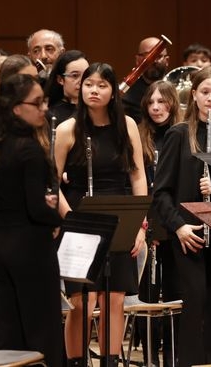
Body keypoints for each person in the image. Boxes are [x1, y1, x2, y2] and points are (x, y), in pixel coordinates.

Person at [151, 66, 211, 367]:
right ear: (193, 95)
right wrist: (179, 227)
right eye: (205, 92)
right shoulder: (179, 135)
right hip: (188, 236)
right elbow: (161, 192)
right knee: (195, 304)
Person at [55, 62, 147, 367]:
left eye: (102, 85)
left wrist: (140, 226)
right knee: (82, 302)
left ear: (112, 91)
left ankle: (110, 363)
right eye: (88, 84)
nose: (94, 90)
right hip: (79, 220)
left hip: (121, 219)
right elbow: (52, 185)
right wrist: (71, 220)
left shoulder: (128, 125)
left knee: (115, 299)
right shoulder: (67, 129)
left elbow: (137, 178)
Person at [0, 73, 63, 364]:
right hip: (31, 249)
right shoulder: (29, 149)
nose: (44, 108)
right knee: (42, 330)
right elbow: (36, 209)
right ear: (15, 108)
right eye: (36, 103)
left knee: (7, 331)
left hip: (1, 246)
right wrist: (54, 216)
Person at [136, 80, 183, 367]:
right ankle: (150, 355)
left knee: (175, 289)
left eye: (162, 102)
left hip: (174, 220)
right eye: (151, 102)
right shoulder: (139, 135)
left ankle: (173, 355)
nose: (156, 107)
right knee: (147, 292)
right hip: (146, 221)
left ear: (173, 104)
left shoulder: (182, 134)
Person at [122, 37, 170, 123]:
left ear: (167, 60)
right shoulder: (126, 95)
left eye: (158, 56)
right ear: (137, 60)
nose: (153, 60)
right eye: (147, 56)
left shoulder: (176, 86)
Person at [44, 50, 89, 122]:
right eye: (75, 75)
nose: (82, 81)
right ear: (60, 79)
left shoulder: (95, 110)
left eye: (86, 75)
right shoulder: (50, 114)